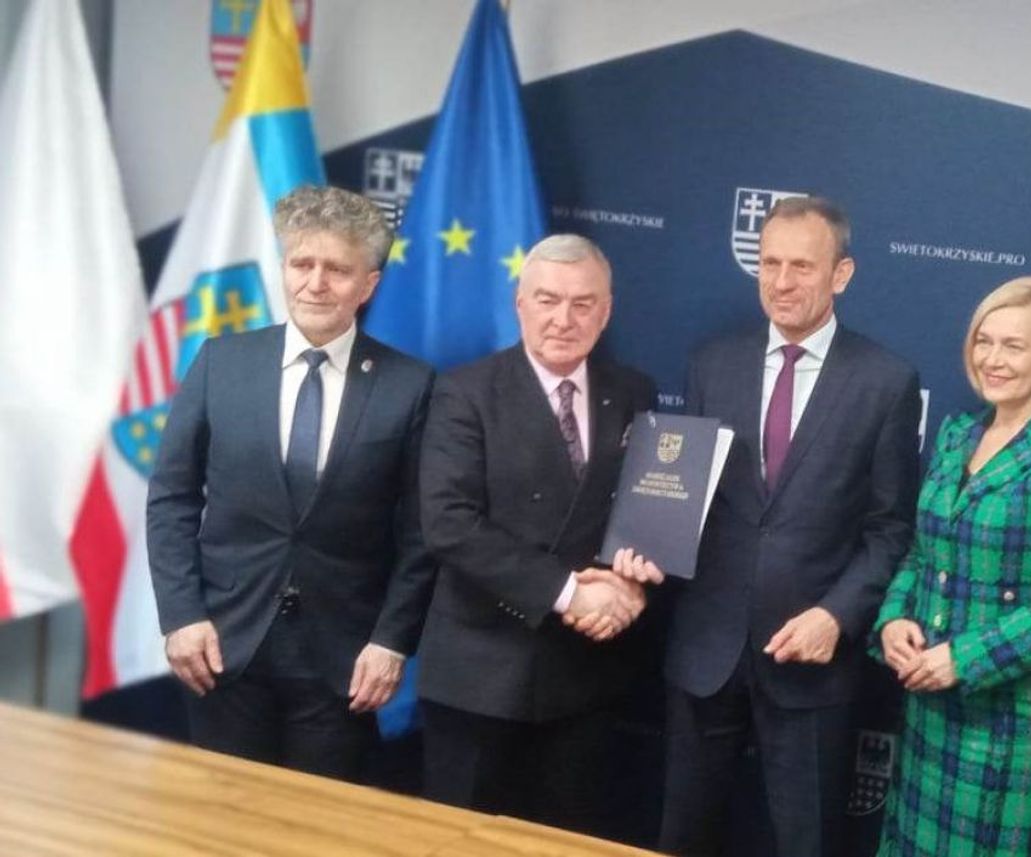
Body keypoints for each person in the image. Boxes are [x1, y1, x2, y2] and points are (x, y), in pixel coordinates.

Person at [653, 196, 924, 857]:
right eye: (769, 262)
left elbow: (890, 528)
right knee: (683, 836)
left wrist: (836, 615)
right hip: (706, 652)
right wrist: (644, 545)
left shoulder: (886, 381)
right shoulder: (712, 362)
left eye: (802, 265)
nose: (781, 281)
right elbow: (678, 495)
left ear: (842, 274)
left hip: (812, 660)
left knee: (808, 841)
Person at [147, 185, 435, 781]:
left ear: (369, 285)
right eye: (302, 264)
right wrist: (180, 616)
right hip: (222, 646)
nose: (315, 283)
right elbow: (172, 499)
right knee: (222, 817)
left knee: (319, 825)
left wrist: (391, 641)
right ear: (283, 268)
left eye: (337, 269)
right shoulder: (221, 362)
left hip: (344, 661)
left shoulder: (410, 385)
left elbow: (420, 532)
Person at [414, 234, 655, 837]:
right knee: (461, 846)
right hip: (480, 678)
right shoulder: (464, 392)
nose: (563, 319)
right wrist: (572, 595)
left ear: (606, 311)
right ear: (520, 304)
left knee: (564, 845)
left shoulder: (633, 392)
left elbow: (645, 514)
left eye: (582, 304)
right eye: (547, 300)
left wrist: (630, 588)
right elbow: (449, 523)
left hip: (586, 677)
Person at [870, 277, 1031, 856]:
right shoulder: (958, 432)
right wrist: (893, 619)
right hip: (927, 711)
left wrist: (964, 658)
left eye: (1014, 346)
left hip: (1010, 730)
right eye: (984, 341)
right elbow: (922, 552)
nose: (992, 359)